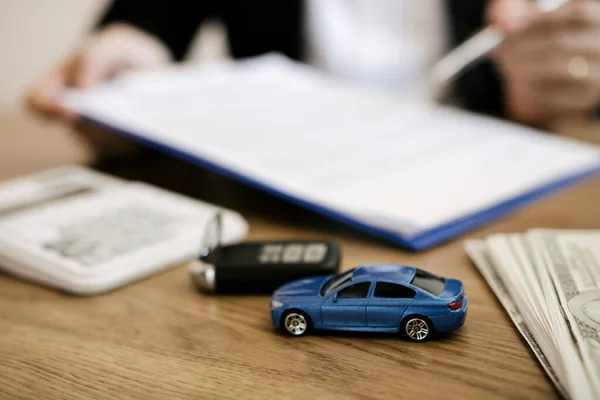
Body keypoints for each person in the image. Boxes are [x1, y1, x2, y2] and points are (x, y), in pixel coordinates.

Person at [27, 0, 600, 131]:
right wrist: (127, 60)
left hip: (484, 169)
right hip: (274, 180)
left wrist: (564, 81)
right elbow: (151, 22)